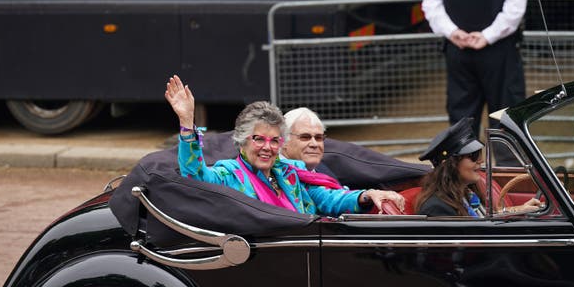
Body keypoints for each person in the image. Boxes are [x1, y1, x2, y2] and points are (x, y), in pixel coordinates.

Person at [165, 75, 406, 215]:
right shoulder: (229, 174)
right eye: (258, 139)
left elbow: (329, 199)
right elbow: (195, 175)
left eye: (274, 140)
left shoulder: (290, 172)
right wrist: (187, 122)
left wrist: (368, 194)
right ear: (241, 142)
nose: (266, 147)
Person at [421, 0, 528, 138]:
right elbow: (515, 7)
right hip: (492, 51)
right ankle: (502, 160)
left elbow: (431, 4)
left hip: (468, 48)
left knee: (470, 116)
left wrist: (453, 32)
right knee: (503, 114)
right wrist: (484, 35)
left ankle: (469, 159)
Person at [415, 117, 542, 217]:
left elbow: (485, 220)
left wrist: (519, 209)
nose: (480, 160)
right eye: (473, 155)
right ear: (450, 164)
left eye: (479, 153)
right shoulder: (437, 208)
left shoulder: (466, 193)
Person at [281, 106, 406, 206]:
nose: (314, 144)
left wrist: (369, 195)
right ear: (284, 141)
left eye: (319, 138)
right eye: (305, 137)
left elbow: (334, 195)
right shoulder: (275, 172)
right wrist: (366, 195)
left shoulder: (322, 169)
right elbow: (329, 198)